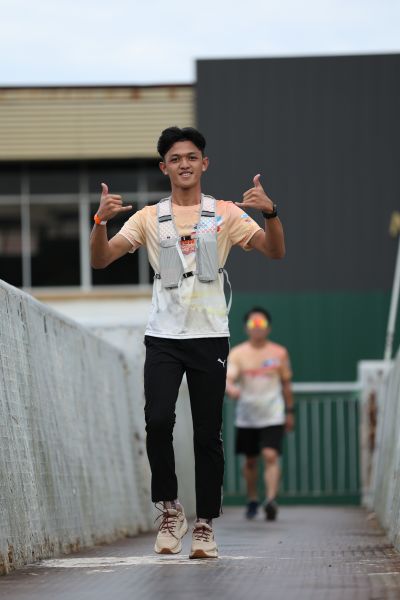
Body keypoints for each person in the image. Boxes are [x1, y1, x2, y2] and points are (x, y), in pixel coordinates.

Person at [90, 127, 285, 558]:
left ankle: (205, 525)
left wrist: (271, 213)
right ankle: (170, 509)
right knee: (158, 421)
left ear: (204, 163)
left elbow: (274, 251)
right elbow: (100, 259)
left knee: (207, 433)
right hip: (163, 335)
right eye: (175, 158)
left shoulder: (225, 213)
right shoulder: (148, 217)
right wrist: (100, 222)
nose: (184, 164)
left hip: (209, 335)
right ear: (164, 167)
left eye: (192, 157)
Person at [226, 308, 294, 521]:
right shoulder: (237, 353)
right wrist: (231, 388)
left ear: (269, 328)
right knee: (250, 461)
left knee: (270, 455)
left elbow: (286, 383)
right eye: (253, 325)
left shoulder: (279, 353)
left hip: (273, 414)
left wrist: (290, 411)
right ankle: (252, 497)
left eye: (261, 324)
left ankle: (271, 499)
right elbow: (229, 377)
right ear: (246, 328)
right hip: (247, 416)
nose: (257, 329)